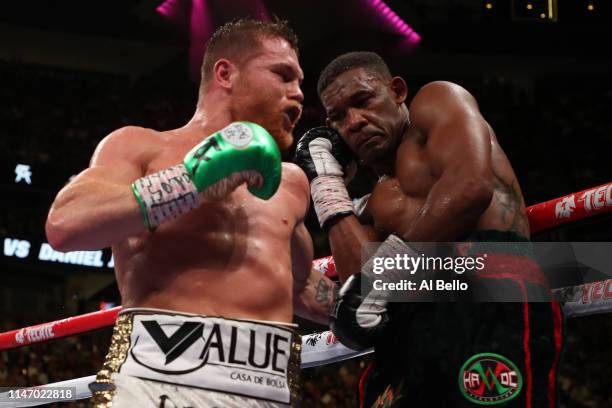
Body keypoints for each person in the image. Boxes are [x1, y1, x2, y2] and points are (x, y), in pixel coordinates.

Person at [45, 19, 336, 408]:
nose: (298, 94)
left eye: (300, 81)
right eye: (283, 75)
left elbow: (302, 287)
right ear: (225, 73)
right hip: (156, 386)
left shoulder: (292, 183)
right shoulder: (140, 146)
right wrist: (190, 184)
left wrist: (413, 285)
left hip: (269, 392)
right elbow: (65, 225)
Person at [296, 52, 563, 407]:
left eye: (364, 101)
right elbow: (362, 284)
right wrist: (326, 187)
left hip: (485, 287)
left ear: (397, 91)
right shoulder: (373, 202)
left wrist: (388, 273)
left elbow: (470, 188)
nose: (355, 122)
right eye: (339, 117)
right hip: (411, 321)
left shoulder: (437, 101)